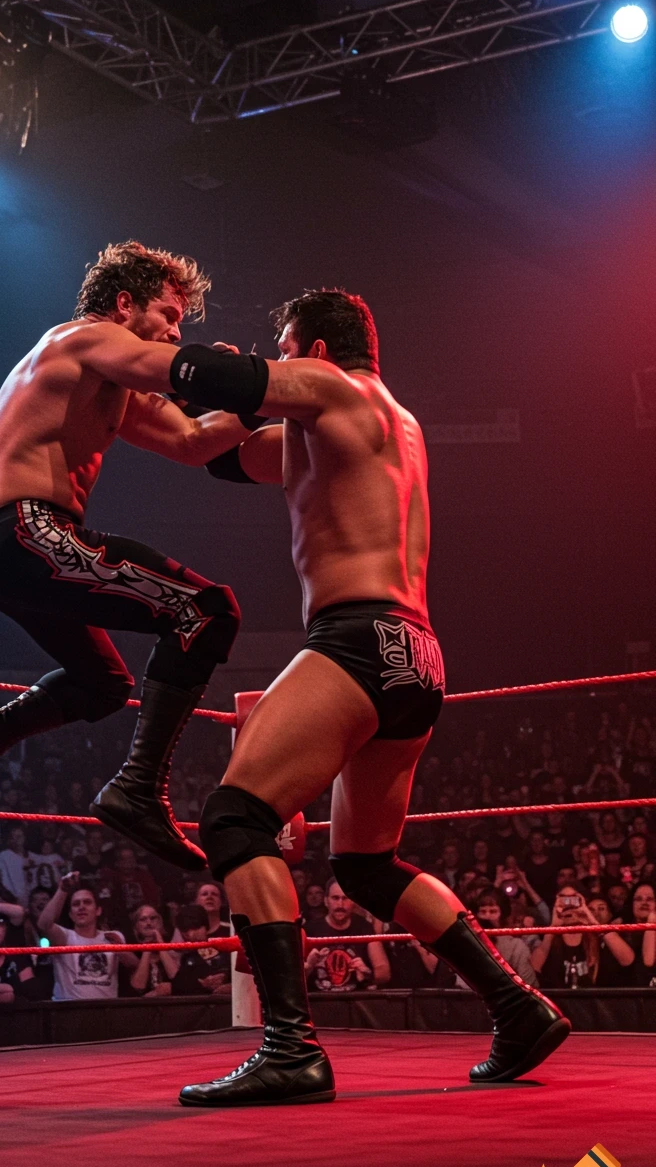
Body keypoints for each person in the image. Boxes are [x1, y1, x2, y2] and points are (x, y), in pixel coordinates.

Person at [148, 289, 570, 1104]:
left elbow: (209, 375)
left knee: (236, 820)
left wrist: (114, 356)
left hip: (357, 638)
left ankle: (289, 1049)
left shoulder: (338, 391)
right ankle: (516, 1005)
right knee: (367, 866)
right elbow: (212, 448)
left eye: (285, 349)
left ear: (308, 346)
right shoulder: (388, 427)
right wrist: (166, 409)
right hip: (417, 653)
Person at [0, 242, 251, 871]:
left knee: (104, 684)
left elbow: (191, 441)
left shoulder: (111, 381)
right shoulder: (81, 340)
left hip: (14, 550)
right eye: (168, 313)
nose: (174, 329)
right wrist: (244, 375)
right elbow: (175, 370)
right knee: (206, 611)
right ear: (123, 304)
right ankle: (138, 787)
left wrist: (250, 402)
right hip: (30, 534)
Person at [37, 871, 134, 1000]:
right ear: (71, 914)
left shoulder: (113, 937)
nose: (81, 907)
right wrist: (63, 889)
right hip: (70, 1011)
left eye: (87, 902)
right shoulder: (65, 937)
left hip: (106, 1011)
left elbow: (134, 965)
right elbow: (44, 924)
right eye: (76, 904)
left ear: (98, 910)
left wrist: (120, 949)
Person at [304, 879, 390, 992]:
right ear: (326, 901)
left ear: (353, 902)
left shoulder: (364, 927)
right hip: (319, 1003)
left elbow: (384, 972)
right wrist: (309, 966)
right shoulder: (310, 930)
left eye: (345, 898)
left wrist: (368, 974)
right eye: (335, 898)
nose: (340, 904)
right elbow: (292, 981)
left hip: (355, 1003)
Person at [171, 904, 232, 996]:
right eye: (186, 931)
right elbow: (178, 987)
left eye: (196, 928)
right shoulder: (187, 959)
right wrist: (201, 984)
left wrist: (226, 979)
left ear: (205, 926)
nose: (191, 934)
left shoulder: (226, 948)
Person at [122, 904, 181, 996]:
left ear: (160, 923)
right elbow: (138, 987)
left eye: (153, 918)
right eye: (143, 919)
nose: (149, 923)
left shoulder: (172, 951)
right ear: (136, 927)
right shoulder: (133, 954)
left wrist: (160, 943)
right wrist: (147, 948)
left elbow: (177, 979)